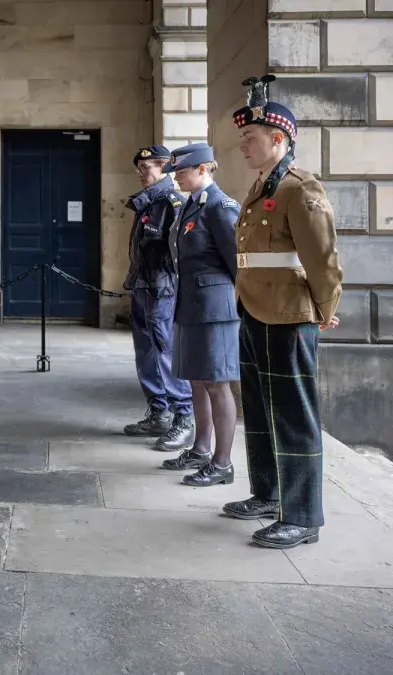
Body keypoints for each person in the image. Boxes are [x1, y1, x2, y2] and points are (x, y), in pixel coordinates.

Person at [221, 75, 343, 549]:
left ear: (278, 139)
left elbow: (324, 259)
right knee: (260, 408)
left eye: (249, 139)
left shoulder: (299, 188)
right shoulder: (262, 185)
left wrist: (324, 309)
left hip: (290, 313)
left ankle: (302, 516)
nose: (242, 147)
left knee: (293, 413)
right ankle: (268, 494)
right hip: (254, 308)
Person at [158, 143, 241, 485]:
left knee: (217, 383)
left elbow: (238, 263)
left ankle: (222, 464)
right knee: (196, 379)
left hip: (215, 308)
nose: (176, 177)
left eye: (181, 171)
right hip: (191, 303)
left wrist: (242, 307)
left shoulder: (220, 207)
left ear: (204, 169)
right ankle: (201, 448)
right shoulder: (191, 206)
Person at [122, 145, 194, 449]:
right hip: (142, 284)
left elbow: (179, 252)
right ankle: (159, 411)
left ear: (164, 167)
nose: (141, 172)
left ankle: (184, 417)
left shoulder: (171, 202)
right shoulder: (148, 203)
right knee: (146, 351)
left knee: (165, 350)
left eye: (147, 167)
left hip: (162, 288)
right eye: (139, 167)